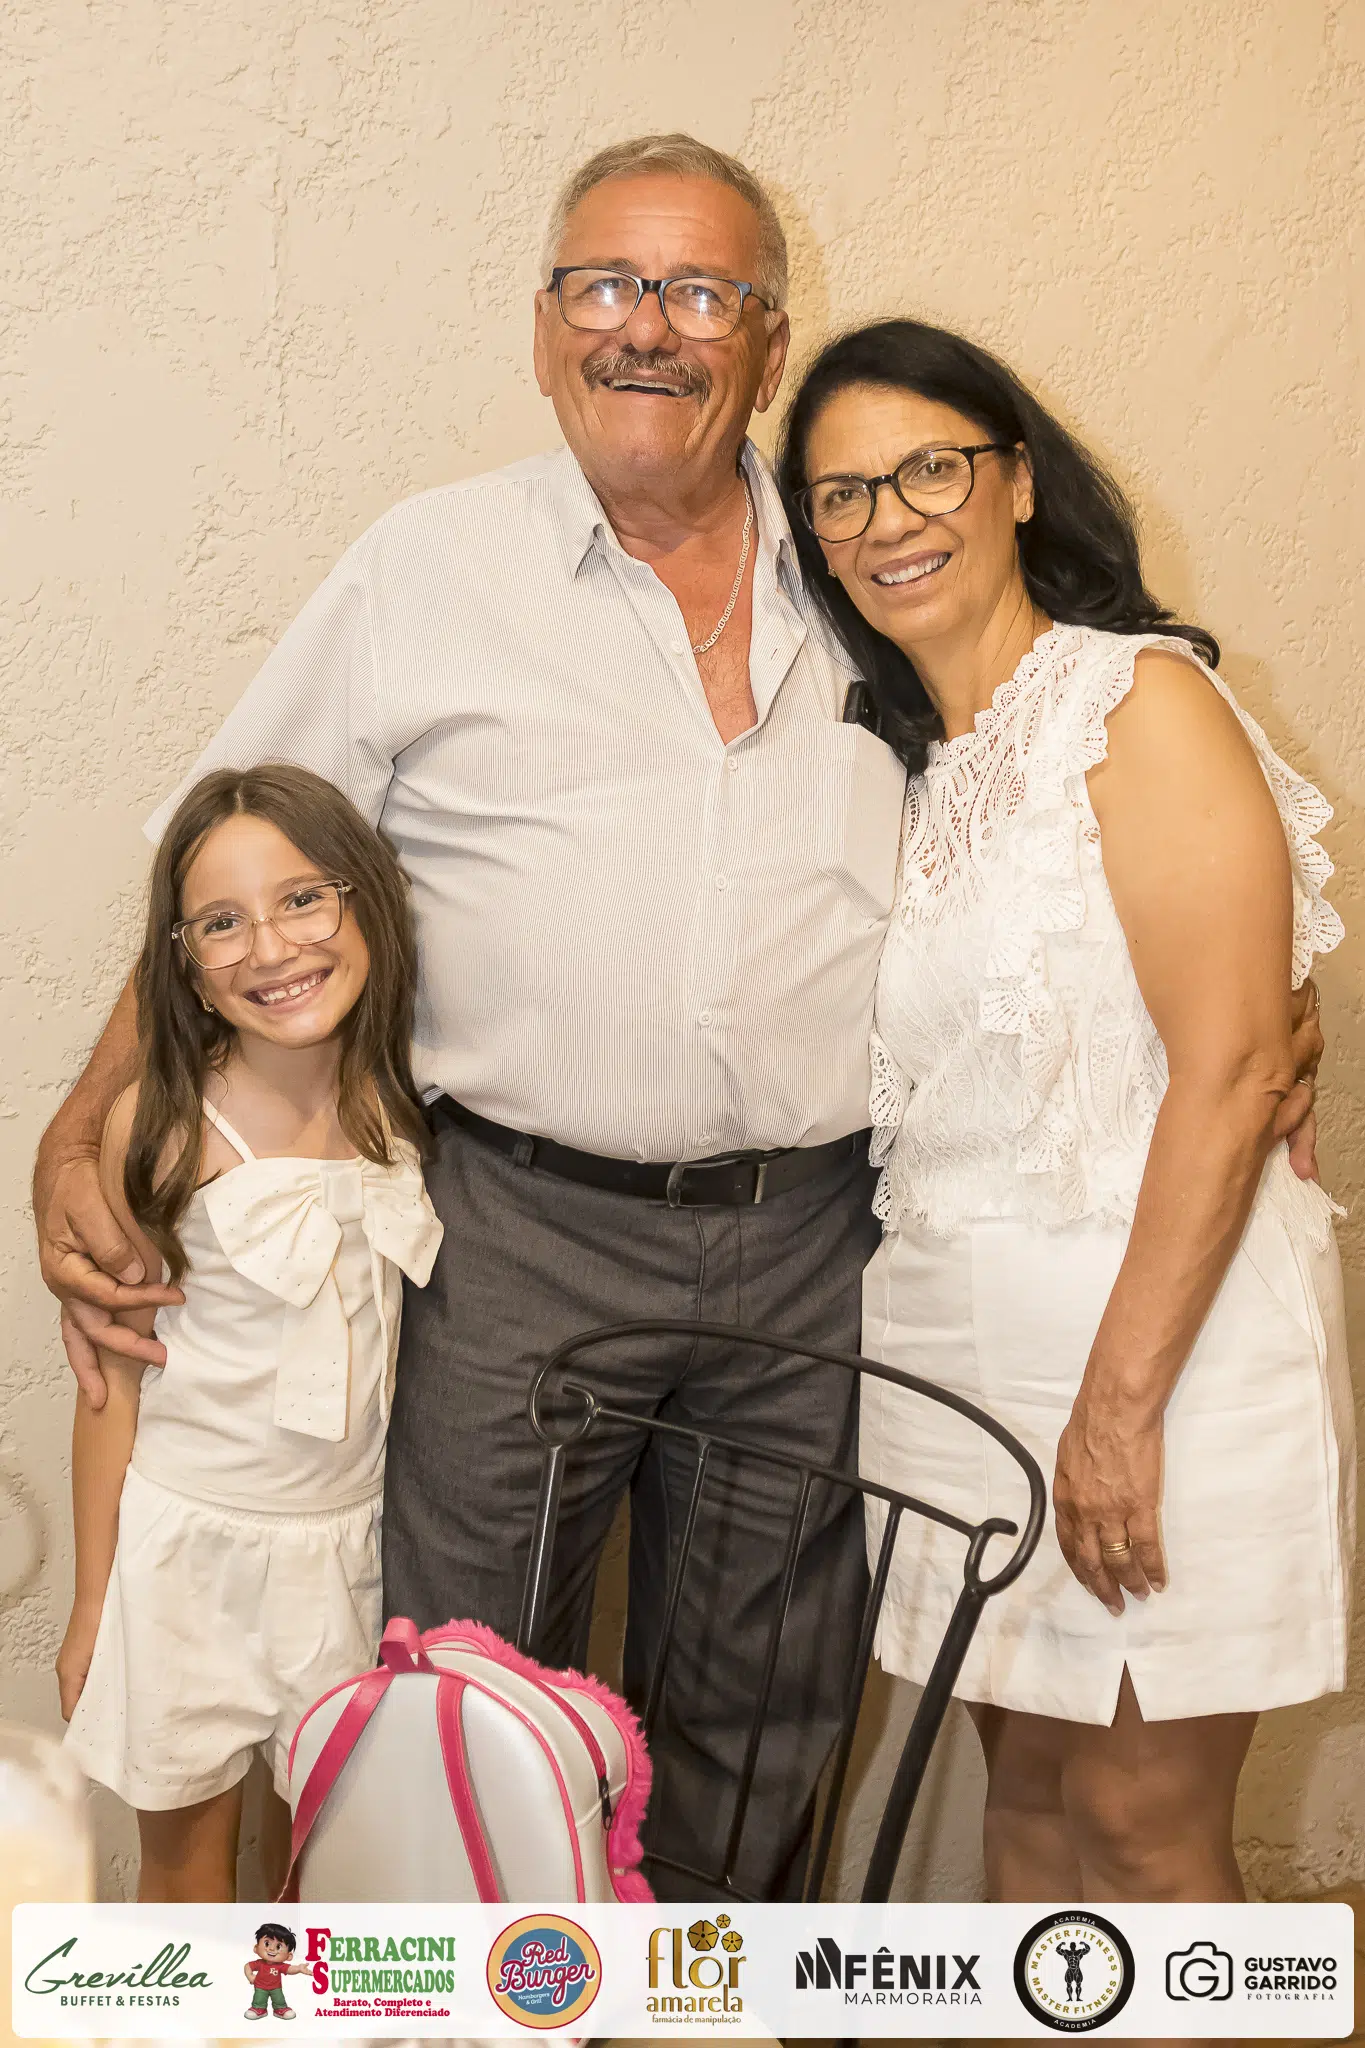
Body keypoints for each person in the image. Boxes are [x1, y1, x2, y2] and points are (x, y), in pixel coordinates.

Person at [32, 136, 1321, 1900]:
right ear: (543, 329)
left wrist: (1268, 1019)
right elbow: (228, 856)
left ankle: (710, 2004)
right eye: (607, 286)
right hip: (517, 1230)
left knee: (764, 1708)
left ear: (766, 346)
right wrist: (84, 1127)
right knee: (463, 1687)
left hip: (815, 1239)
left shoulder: (863, 562)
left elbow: (1095, 805)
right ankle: (468, 2007)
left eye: (703, 292)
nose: (649, 325)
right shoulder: (426, 567)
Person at [776, 318, 1354, 1914]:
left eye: (929, 470)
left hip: (1155, 1348)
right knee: (1025, 1805)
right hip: (952, 1352)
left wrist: (1113, 1410)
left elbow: (1233, 1069)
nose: (887, 521)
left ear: (1018, 482)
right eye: (841, 496)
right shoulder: (903, 771)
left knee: (1141, 1831)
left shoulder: (1135, 702)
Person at [57, 764, 443, 1901]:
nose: (270, 948)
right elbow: (111, 1379)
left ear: (364, 901)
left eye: (302, 899)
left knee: (325, 1865)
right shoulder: (164, 1127)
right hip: (187, 1556)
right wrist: (95, 1600)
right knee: (186, 1867)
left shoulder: (403, 1100)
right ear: (184, 961)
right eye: (221, 923)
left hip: (347, 1551)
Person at [244, 1925, 309, 2022]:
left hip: (276, 1988)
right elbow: (248, 1966)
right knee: (259, 1999)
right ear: (256, 1948)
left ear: (288, 1956)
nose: (271, 1949)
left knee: (279, 1999)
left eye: (278, 1946)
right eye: (267, 1943)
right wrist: (250, 1977)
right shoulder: (259, 1963)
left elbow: (290, 1969)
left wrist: (299, 1968)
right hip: (260, 1987)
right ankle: (258, 2009)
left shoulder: (280, 1966)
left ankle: (280, 2009)